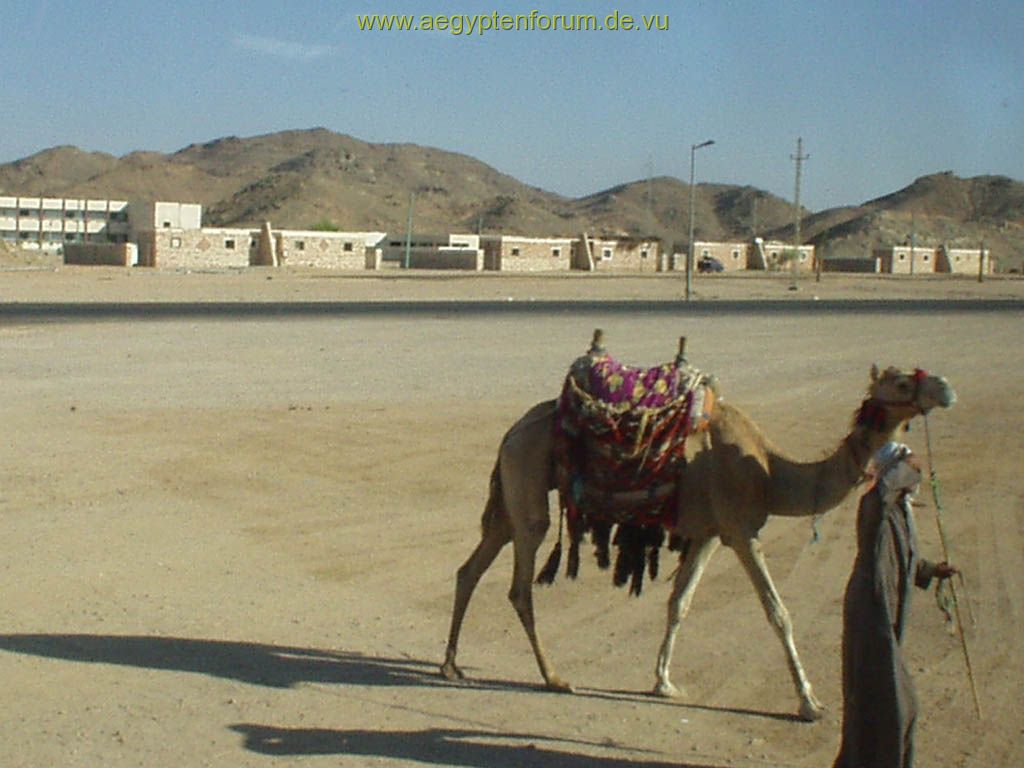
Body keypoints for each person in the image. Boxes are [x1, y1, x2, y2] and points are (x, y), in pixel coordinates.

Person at [833, 442, 957, 768]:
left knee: (881, 705)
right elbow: (882, 492)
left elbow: (906, 559)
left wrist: (932, 571)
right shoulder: (873, 507)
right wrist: (910, 465)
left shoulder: (901, 513)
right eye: (905, 471)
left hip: (887, 616)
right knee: (899, 706)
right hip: (870, 615)